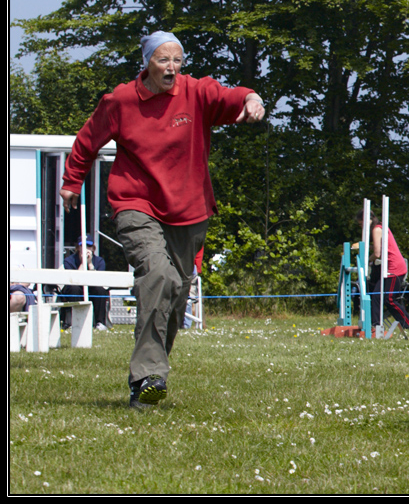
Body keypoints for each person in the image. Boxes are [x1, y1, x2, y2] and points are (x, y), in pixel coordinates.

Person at [60, 31, 266, 409]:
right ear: (147, 63)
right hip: (135, 202)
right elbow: (88, 140)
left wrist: (252, 98)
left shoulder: (195, 92)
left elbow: (231, 95)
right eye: (162, 61)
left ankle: (150, 376)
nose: (171, 68)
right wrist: (72, 181)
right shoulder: (121, 100)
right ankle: (148, 375)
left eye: (177, 61)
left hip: (189, 210)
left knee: (176, 292)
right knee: (159, 276)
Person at [357, 210, 409, 330]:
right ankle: (375, 325)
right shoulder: (380, 226)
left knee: (389, 299)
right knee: (376, 296)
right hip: (391, 267)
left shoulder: (376, 230)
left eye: (360, 224)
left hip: (394, 268)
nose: (361, 227)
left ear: (365, 220)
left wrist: (366, 261)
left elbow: (377, 253)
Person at [59, 235, 110, 331]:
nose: (86, 249)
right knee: (74, 288)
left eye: (89, 246)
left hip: (92, 286)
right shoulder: (69, 261)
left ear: (93, 248)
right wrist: (83, 263)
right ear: (78, 248)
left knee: (100, 290)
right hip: (75, 287)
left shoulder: (99, 261)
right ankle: (75, 321)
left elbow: (99, 280)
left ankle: (99, 322)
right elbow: (74, 280)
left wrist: (90, 264)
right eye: (83, 246)